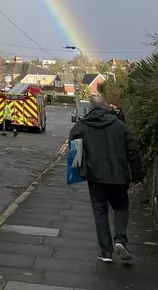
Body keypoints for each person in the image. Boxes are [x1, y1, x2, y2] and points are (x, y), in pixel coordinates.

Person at [70, 93, 143, 263]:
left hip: (95, 176)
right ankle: (120, 240)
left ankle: (106, 252)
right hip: (119, 175)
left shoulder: (82, 126)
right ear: (105, 106)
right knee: (121, 207)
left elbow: (74, 148)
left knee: (100, 212)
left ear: (90, 107)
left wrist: (80, 168)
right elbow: (132, 151)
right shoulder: (120, 125)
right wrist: (137, 175)